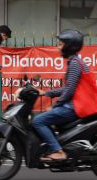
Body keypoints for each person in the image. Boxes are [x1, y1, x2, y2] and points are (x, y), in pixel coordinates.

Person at [32, 29, 89, 161]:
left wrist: (55, 106)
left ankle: (58, 151)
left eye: (61, 44)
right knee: (46, 119)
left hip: (74, 107)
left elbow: (69, 91)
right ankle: (56, 147)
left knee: (38, 121)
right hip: (75, 105)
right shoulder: (74, 62)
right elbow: (68, 88)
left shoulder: (75, 64)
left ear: (69, 46)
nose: (58, 47)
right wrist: (46, 93)